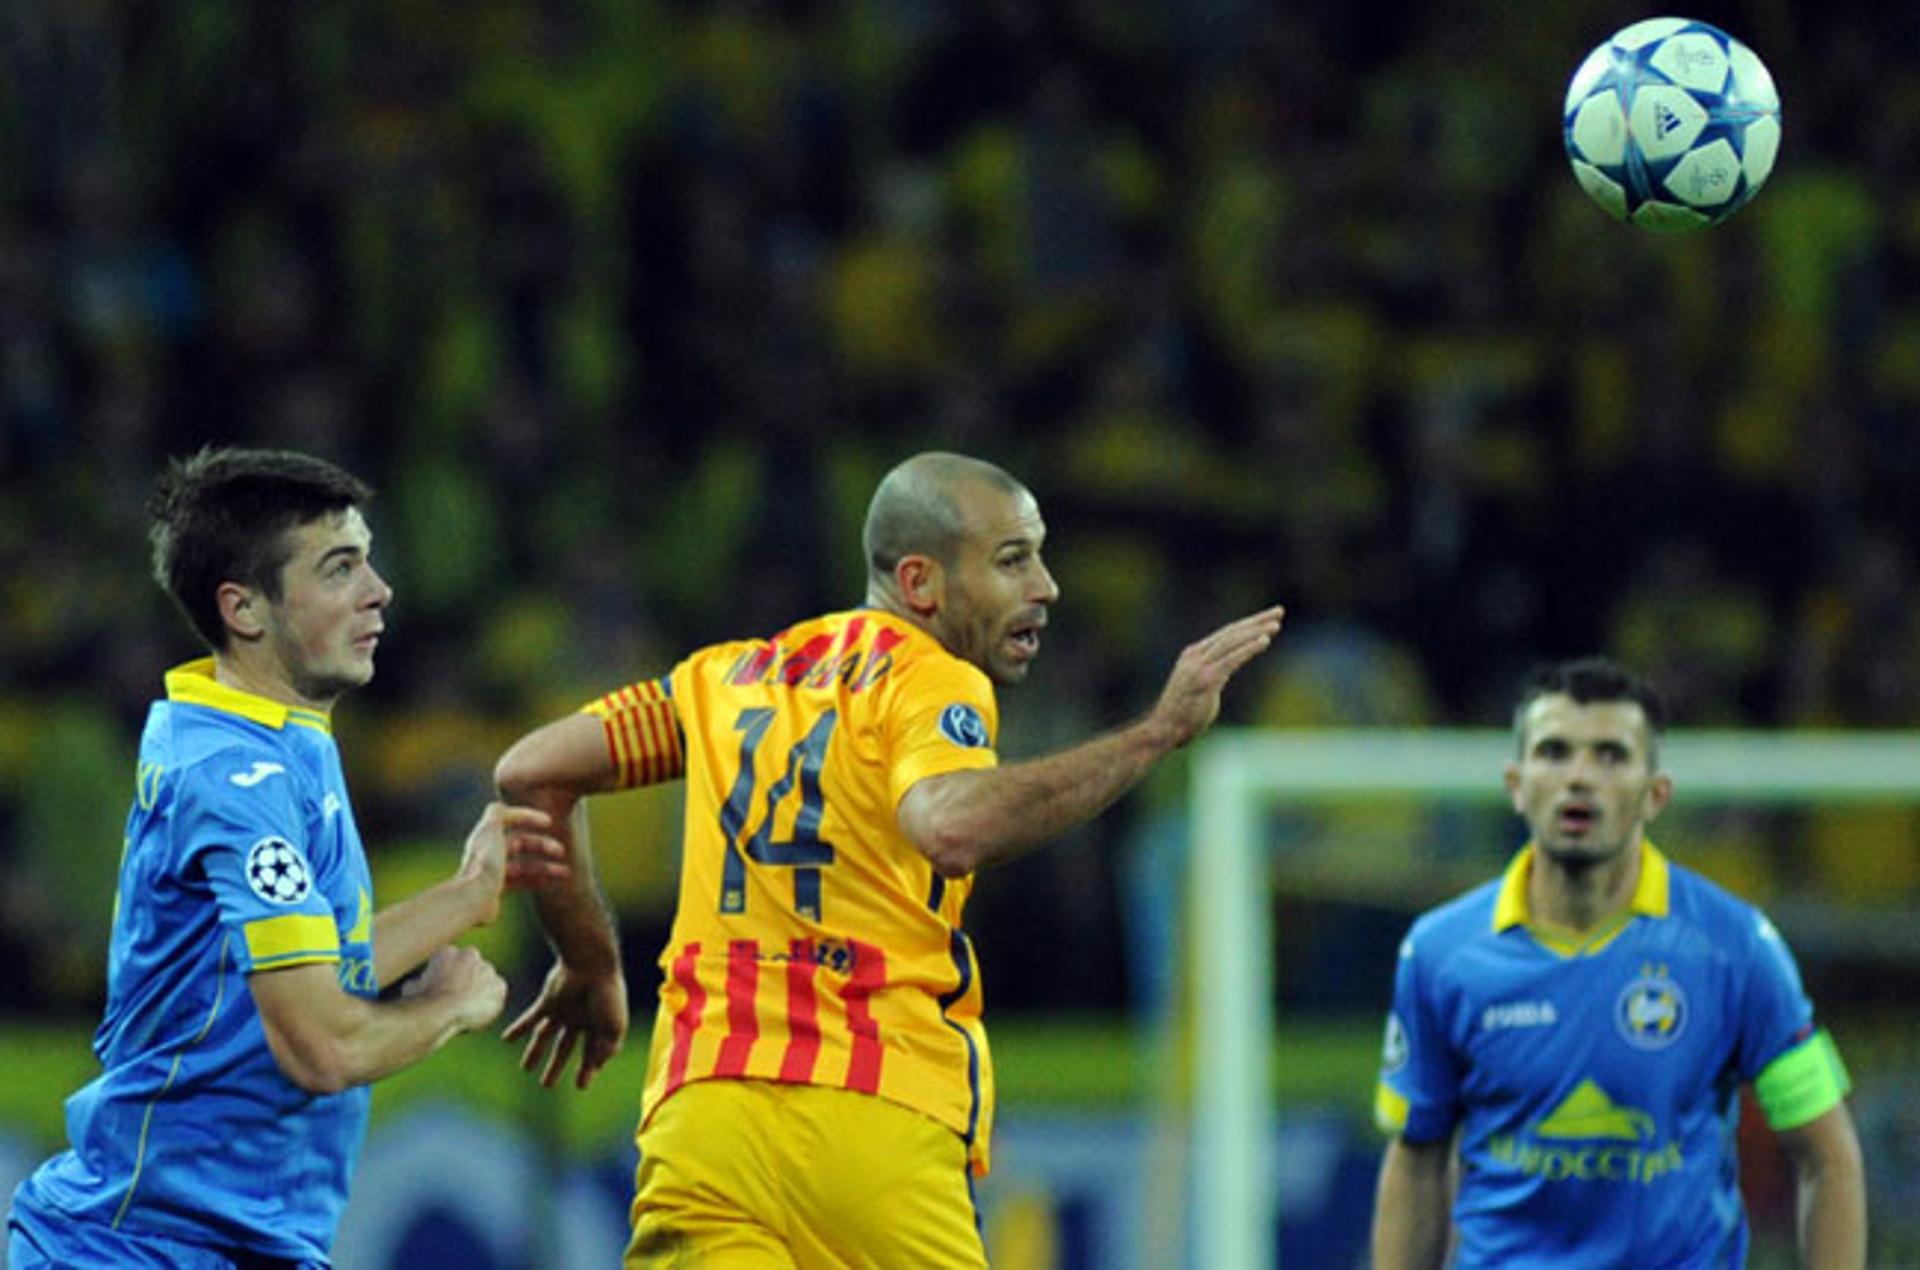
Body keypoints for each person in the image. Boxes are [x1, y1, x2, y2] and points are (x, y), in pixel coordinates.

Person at [494, 450, 1285, 1266]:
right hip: (872, 1108)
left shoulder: (724, 678)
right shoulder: (927, 679)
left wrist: (589, 965)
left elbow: (532, 772)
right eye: (1013, 559)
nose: (1045, 586)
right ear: (921, 584)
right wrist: (1155, 735)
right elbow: (949, 826)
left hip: (703, 1119)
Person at [7, 447, 565, 1269]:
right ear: (246, 610)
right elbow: (321, 1048)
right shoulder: (238, 781)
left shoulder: (276, 738)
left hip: (226, 1241)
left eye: (369, 561)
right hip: (148, 1246)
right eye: (339, 569)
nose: (378, 591)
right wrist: (452, 1008)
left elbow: (312, 964)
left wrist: (469, 894)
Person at [1370, 657, 1868, 1269]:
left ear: (1655, 793)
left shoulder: (1735, 945)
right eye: (1555, 752)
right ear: (1516, 785)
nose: (1580, 778)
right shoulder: (1441, 953)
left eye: (1610, 755)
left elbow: (1829, 1156)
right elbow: (1417, 1156)